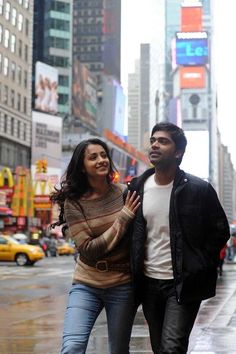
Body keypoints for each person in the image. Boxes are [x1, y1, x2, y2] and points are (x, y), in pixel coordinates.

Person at [127, 122, 230, 354]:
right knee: (159, 347)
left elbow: (220, 230)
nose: (155, 144)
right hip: (148, 284)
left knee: (172, 347)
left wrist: (199, 262)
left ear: (178, 152)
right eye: (153, 140)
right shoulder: (137, 188)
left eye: (163, 141)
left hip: (182, 285)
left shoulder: (199, 189)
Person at [50, 138, 140, 354]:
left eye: (103, 155)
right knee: (72, 346)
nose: (101, 160)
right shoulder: (74, 203)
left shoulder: (124, 193)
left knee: (118, 350)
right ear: (82, 167)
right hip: (86, 283)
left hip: (122, 284)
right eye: (93, 157)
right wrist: (123, 218)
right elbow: (89, 249)